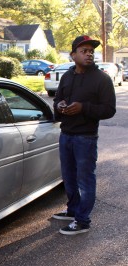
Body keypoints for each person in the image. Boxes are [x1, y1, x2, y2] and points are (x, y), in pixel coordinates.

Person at [52, 35, 116, 235]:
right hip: (66, 135)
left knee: (85, 179)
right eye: (84, 51)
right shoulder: (67, 76)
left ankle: (82, 220)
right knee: (68, 177)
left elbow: (109, 109)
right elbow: (58, 99)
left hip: (85, 137)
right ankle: (73, 210)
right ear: (73, 55)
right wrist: (59, 106)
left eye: (91, 51)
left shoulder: (101, 79)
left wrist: (83, 107)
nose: (89, 54)